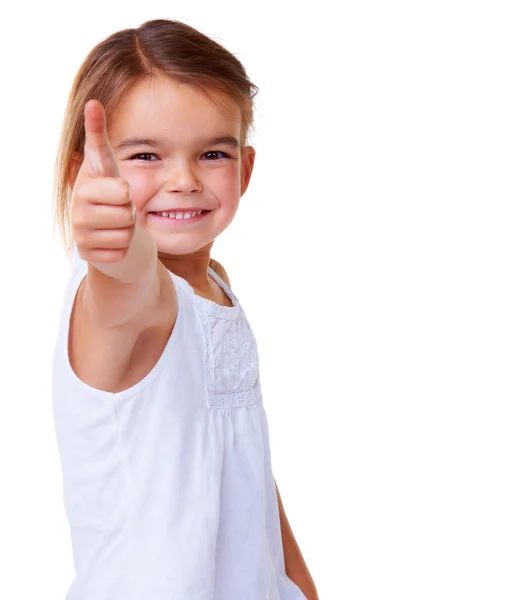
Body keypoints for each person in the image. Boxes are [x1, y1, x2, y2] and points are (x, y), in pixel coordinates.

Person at [51, 18, 318, 600]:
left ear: (245, 171)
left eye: (212, 153)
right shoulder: (127, 300)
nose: (183, 179)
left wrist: (301, 587)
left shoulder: (215, 284)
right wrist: (110, 242)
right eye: (146, 155)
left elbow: (245, 465)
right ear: (84, 175)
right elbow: (126, 282)